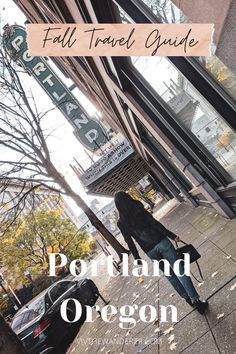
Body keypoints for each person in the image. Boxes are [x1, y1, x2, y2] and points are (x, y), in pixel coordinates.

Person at [114, 191, 209, 314]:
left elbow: (129, 241)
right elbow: (154, 223)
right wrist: (172, 235)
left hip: (150, 250)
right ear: (128, 198)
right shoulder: (138, 207)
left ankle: (187, 299)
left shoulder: (121, 223)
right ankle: (196, 300)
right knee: (180, 271)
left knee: (170, 275)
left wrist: (137, 257)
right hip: (162, 242)